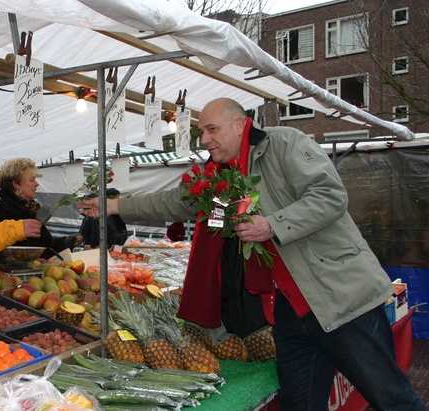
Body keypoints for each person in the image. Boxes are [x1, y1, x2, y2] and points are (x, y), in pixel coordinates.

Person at [78, 98, 426, 411]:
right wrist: (115, 205)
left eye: (212, 129)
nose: (205, 139)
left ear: (240, 124)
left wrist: (272, 225)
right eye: (202, 132)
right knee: (299, 403)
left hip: (338, 297)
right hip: (290, 309)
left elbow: (330, 196)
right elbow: (173, 201)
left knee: (392, 398)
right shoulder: (216, 174)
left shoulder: (284, 143)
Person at [0, 158, 80, 264]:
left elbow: (43, 248)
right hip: (10, 277)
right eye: (32, 180)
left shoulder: (27, 208)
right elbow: (19, 253)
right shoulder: (3, 210)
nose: (37, 184)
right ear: (16, 184)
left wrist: (65, 242)